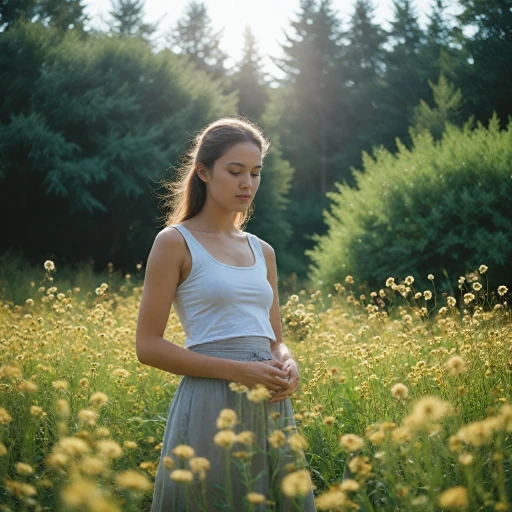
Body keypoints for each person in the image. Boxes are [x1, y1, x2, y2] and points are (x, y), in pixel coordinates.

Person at [136, 117, 316, 511]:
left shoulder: (262, 250)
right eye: (235, 172)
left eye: (255, 173)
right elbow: (147, 347)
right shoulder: (174, 242)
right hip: (210, 401)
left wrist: (288, 362)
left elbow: (275, 338)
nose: (247, 183)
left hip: (270, 401)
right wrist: (238, 372)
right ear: (203, 171)